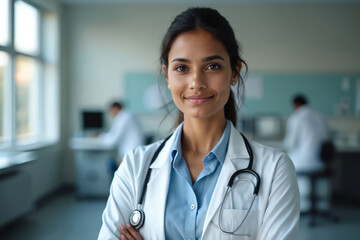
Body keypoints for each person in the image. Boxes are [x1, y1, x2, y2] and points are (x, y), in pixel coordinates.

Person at [98, 7, 299, 240]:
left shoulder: (275, 171)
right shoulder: (135, 167)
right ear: (168, 77)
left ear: (234, 72)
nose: (196, 82)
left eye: (212, 66)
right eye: (182, 68)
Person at [284, 95, 329, 172]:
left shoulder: (296, 117)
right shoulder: (320, 117)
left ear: (295, 105)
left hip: (301, 164)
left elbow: (289, 143)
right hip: (320, 163)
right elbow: (325, 138)